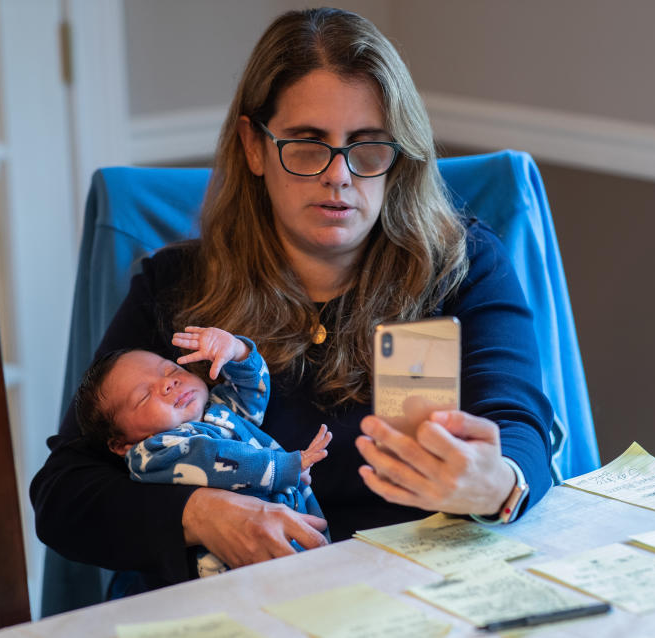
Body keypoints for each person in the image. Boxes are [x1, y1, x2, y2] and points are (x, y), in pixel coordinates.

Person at [31, 6, 553, 597]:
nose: (340, 177)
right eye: (308, 146)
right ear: (254, 146)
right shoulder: (177, 288)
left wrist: (496, 482)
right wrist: (200, 515)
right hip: (235, 602)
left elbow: (517, 426)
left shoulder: (460, 266)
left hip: (412, 596)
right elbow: (64, 491)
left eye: (367, 147)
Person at [73, 326, 332, 578]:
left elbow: (254, 392)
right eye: (143, 396)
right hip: (242, 568)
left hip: (297, 541)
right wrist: (287, 466)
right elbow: (211, 457)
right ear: (122, 444)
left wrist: (237, 352)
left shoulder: (217, 410)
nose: (168, 383)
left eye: (171, 369)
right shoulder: (152, 453)